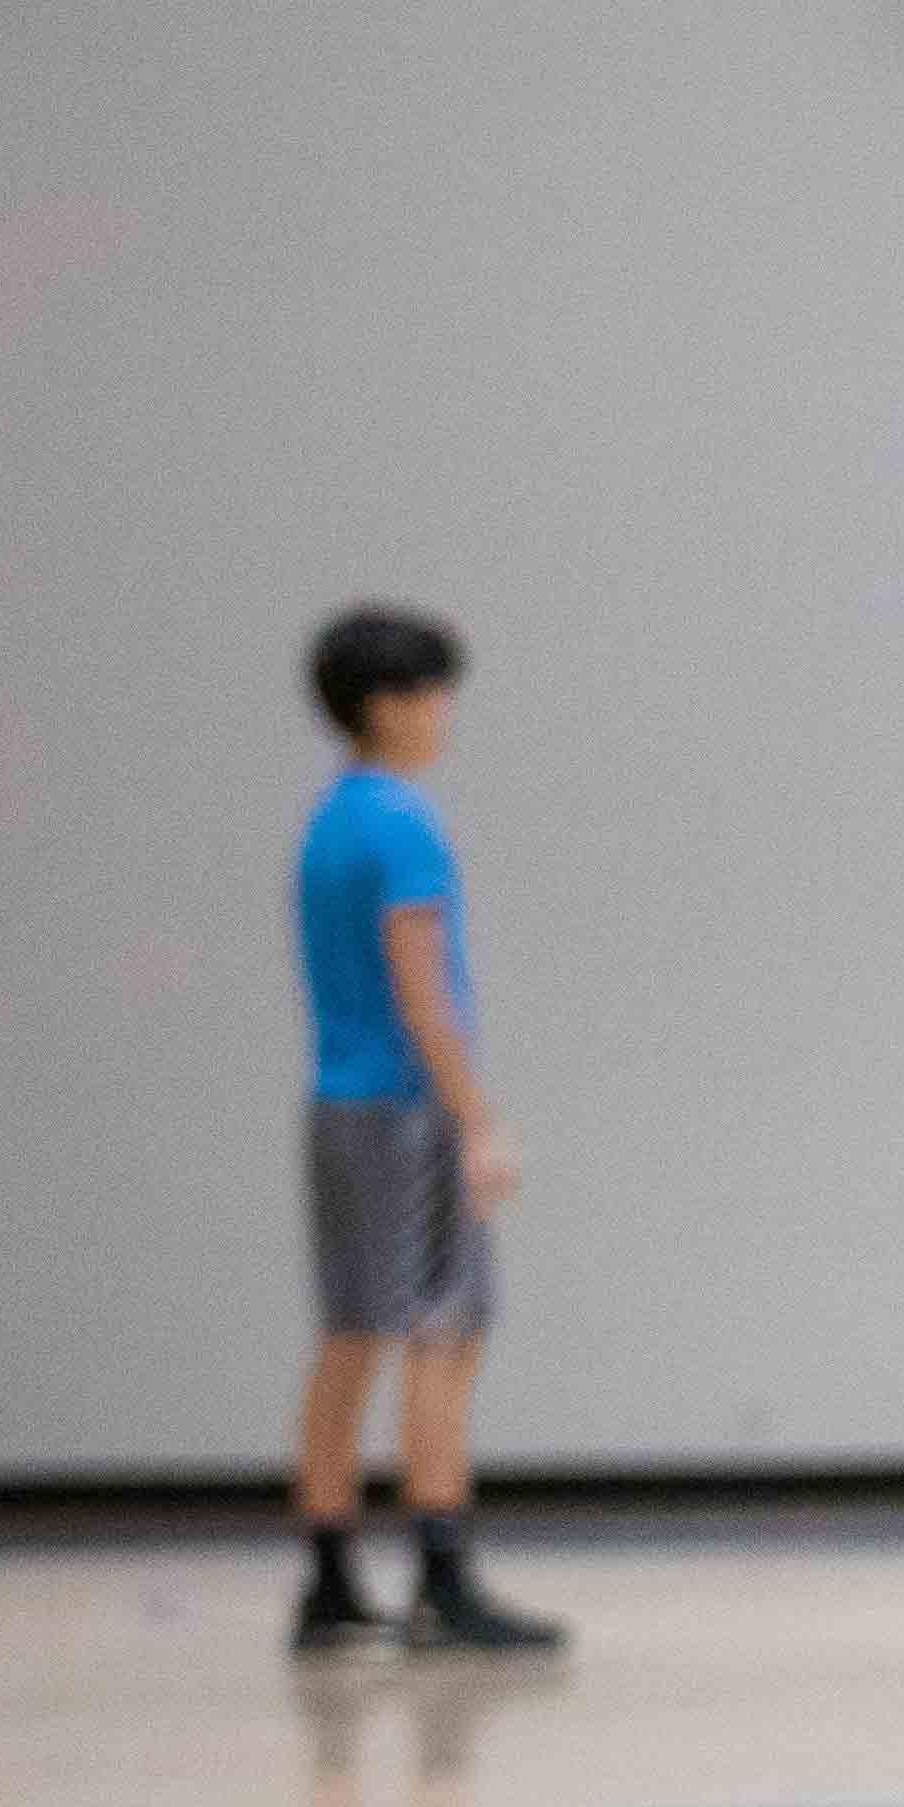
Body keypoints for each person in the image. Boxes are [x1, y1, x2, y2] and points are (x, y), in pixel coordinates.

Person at [289, 609, 564, 1656]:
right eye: (433, 692)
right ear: (389, 703)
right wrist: (476, 1118)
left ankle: (328, 1578)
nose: (444, 714)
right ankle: (442, 1574)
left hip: (338, 1103)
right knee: (446, 1335)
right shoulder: (404, 826)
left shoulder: (329, 823)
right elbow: (423, 992)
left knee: (350, 1335)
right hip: (406, 1111)